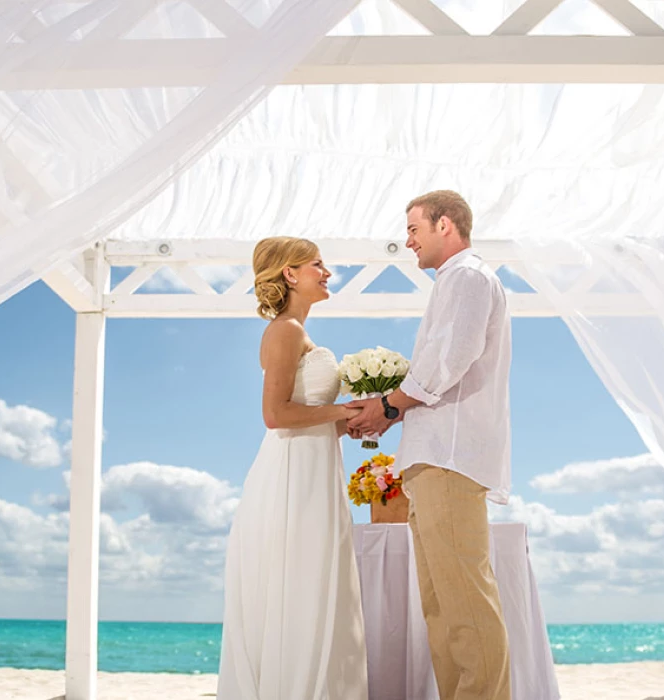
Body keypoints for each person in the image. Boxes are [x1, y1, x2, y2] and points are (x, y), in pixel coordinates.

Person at [349, 190, 513, 700]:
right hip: (433, 458)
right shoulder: (454, 282)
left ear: (447, 225)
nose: (408, 239)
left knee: (464, 601)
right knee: (442, 605)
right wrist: (392, 409)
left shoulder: (468, 277)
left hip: (449, 457)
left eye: (415, 228)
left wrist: (390, 407)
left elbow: (451, 358)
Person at [216, 236, 369, 700]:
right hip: (290, 478)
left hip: (313, 467)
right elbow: (275, 415)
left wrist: (348, 423)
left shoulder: (300, 333)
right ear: (290, 274)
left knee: (317, 584)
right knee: (301, 585)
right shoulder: (285, 331)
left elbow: (305, 416)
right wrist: (342, 412)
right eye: (318, 265)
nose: (327, 273)